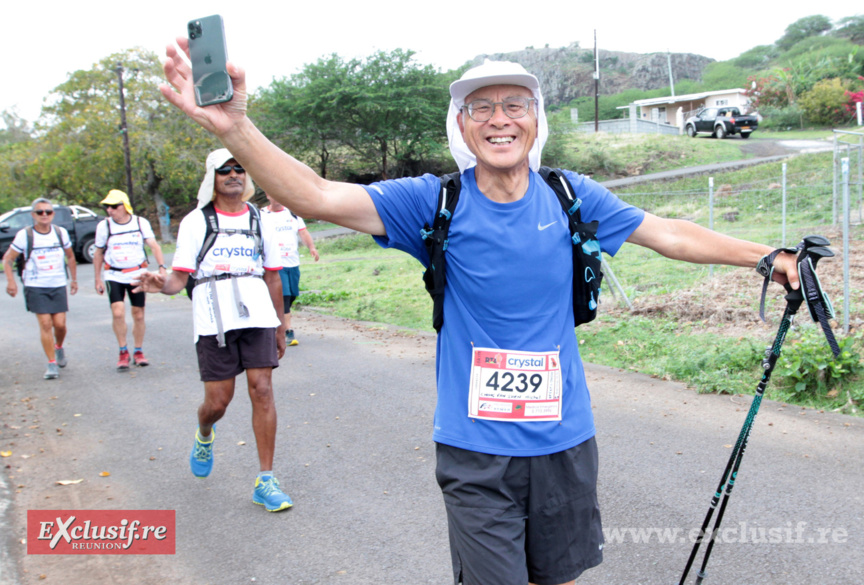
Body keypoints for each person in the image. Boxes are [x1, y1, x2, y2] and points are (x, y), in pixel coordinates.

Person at [160, 44, 801, 584]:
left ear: (535, 119)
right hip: (475, 454)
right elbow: (318, 196)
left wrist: (765, 255)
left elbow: (669, 233)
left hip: (565, 442)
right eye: (482, 108)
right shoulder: (431, 202)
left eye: (514, 105)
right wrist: (235, 128)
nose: (500, 119)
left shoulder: (572, 195)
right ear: (462, 125)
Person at [133, 148, 293, 512]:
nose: (233, 175)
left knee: (263, 390)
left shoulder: (260, 220)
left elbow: (272, 275)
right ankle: (205, 433)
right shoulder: (195, 222)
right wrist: (160, 283)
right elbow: (178, 280)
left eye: (239, 169)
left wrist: (280, 326)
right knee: (218, 402)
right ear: (213, 178)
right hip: (213, 317)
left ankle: (265, 480)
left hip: (256, 315)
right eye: (225, 171)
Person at [2, 198, 78, 380]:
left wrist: (74, 280)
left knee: (60, 325)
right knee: (45, 324)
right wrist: (11, 281)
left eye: (48, 212)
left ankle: (58, 347)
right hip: (35, 285)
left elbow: (71, 256)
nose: (44, 215)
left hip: (57, 283)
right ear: (33, 215)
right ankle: (51, 364)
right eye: (40, 212)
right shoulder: (25, 235)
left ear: (53, 214)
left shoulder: (60, 233)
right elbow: (8, 259)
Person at [93, 189, 167, 370]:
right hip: (114, 274)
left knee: (138, 314)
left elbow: (153, 245)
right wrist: (97, 279)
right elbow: (98, 252)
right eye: (107, 207)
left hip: (137, 274)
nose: (110, 210)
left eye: (114, 206)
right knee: (118, 312)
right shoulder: (105, 226)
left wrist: (161, 268)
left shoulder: (140, 223)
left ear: (125, 206)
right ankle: (123, 351)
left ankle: (139, 351)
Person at [261, 192, 319, 346]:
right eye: (274, 193)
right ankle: (288, 331)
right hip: (274, 263)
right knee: (284, 296)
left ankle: (275, 321)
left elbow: (303, 232)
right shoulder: (262, 215)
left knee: (292, 294)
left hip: (293, 262)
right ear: (268, 195)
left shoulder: (292, 214)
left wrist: (312, 247)